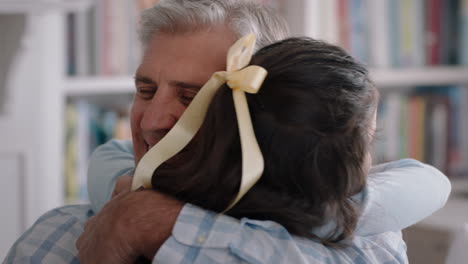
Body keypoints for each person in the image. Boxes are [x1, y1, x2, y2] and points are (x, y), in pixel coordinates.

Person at [4, 0, 450, 263]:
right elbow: (110, 159)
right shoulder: (68, 233)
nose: (153, 121)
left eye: (191, 97)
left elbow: (424, 180)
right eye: (144, 89)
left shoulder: (355, 248)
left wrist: (163, 221)